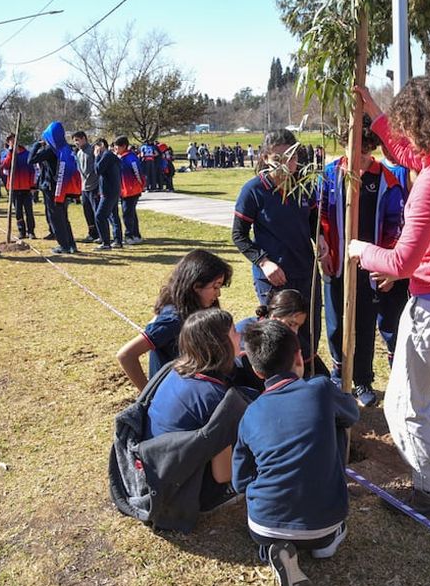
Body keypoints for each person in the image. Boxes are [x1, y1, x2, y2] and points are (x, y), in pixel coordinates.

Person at [347, 78, 430, 522]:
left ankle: (426, 494)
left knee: (406, 403)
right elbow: (406, 153)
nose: (401, 133)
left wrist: (360, 250)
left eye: (404, 122)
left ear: (419, 123)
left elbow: (403, 261)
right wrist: (373, 111)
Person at [232, 319, 359, 586]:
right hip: (325, 521)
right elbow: (352, 414)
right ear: (299, 356)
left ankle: (272, 551)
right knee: (329, 535)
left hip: (265, 525)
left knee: (270, 532)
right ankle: (325, 544)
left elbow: (239, 481)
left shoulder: (250, 413)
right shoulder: (321, 389)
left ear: (256, 371)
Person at [320, 116, 408, 408]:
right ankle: (337, 372)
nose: (355, 159)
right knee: (335, 324)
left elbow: (396, 226)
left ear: (371, 149)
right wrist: (322, 242)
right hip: (335, 264)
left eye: (362, 153)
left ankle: (362, 380)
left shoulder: (387, 179)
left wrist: (384, 264)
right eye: (350, 150)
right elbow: (318, 214)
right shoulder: (330, 174)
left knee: (365, 324)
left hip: (369, 266)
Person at [232, 129, 327, 377]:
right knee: (281, 335)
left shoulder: (304, 186)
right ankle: (280, 384)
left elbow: (314, 220)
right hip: (275, 278)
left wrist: (321, 239)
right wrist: (264, 262)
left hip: (306, 272)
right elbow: (239, 236)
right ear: (265, 158)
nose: (287, 164)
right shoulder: (253, 190)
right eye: (278, 158)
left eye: (292, 157)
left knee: (309, 329)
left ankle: (308, 381)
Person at [144, 308, 245, 511]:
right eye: (234, 332)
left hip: (154, 468)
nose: (240, 335)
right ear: (220, 345)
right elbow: (223, 474)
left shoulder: (175, 370)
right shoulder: (217, 399)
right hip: (183, 489)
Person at [116, 249, 232, 390]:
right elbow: (126, 355)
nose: (218, 293)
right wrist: (147, 395)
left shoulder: (193, 309)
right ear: (196, 286)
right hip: (177, 393)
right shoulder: (174, 319)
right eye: (215, 286)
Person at [30, 122, 82, 254]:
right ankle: (71, 244)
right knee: (63, 217)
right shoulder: (66, 148)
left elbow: (30, 160)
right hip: (63, 188)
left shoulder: (50, 150)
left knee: (56, 218)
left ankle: (63, 245)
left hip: (52, 188)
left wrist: (36, 145)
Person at [0, 134, 36, 239]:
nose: (12, 142)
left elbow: (32, 171)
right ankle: (22, 231)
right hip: (14, 187)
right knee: (18, 211)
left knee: (29, 210)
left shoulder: (27, 154)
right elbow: (5, 166)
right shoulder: (6, 154)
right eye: (10, 141)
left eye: (14, 140)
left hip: (26, 187)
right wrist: (11, 153)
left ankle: (31, 231)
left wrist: (33, 186)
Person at [93, 138, 122, 250]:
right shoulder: (112, 156)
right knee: (113, 215)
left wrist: (96, 156)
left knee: (100, 216)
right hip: (114, 190)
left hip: (108, 191)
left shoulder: (106, 155)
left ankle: (106, 242)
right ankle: (117, 240)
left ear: (101, 145)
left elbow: (97, 170)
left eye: (96, 147)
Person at [115, 136, 144, 245]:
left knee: (127, 213)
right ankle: (136, 234)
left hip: (132, 190)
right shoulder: (120, 157)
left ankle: (129, 236)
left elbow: (138, 172)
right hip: (124, 190)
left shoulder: (130, 158)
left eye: (117, 146)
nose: (115, 148)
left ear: (124, 146)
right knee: (131, 213)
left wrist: (141, 184)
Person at [73, 130, 100, 243]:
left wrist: (99, 187)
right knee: (87, 212)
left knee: (97, 212)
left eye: (77, 140)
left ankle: (100, 234)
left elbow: (98, 169)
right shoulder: (78, 153)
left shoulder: (92, 151)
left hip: (94, 186)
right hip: (84, 188)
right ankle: (92, 233)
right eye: (74, 141)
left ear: (84, 138)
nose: (76, 143)